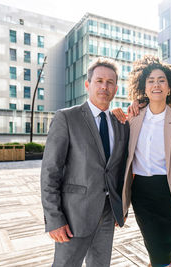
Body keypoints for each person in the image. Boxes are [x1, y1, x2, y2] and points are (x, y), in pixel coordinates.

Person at [40, 58, 129, 267]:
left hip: (107, 215)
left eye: (110, 82)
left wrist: (120, 207)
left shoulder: (121, 124)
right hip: (73, 216)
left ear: (116, 88)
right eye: (99, 81)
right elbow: (50, 171)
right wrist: (54, 219)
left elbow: (120, 169)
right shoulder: (66, 118)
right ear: (88, 85)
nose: (104, 87)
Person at [114, 55, 171, 267]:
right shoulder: (132, 118)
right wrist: (115, 111)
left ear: (170, 87)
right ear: (144, 88)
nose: (156, 84)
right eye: (151, 80)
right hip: (143, 193)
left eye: (161, 80)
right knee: (157, 250)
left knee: (169, 248)